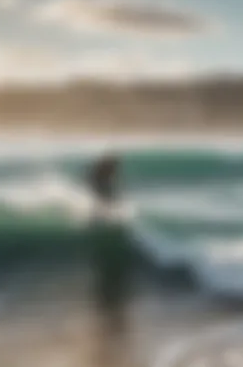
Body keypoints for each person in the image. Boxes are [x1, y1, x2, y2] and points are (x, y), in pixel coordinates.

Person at [87, 152, 136, 366]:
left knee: (107, 202)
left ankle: (109, 320)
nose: (118, 169)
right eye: (116, 166)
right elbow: (96, 184)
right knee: (106, 202)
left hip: (101, 192)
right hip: (100, 192)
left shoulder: (104, 173)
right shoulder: (101, 173)